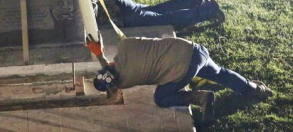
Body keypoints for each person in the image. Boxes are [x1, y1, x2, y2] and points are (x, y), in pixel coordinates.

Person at [86, 33, 273, 123]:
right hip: (194, 50)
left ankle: (201, 98)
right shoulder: (125, 44)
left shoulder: (126, 81)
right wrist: (99, 52)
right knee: (219, 73)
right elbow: (110, 69)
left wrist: (101, 59)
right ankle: (253, 89)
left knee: (161, 98)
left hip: (183, 71)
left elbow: (113, 80)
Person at [96, 0, 226, 30]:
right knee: (159, 10)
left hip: (120, 16)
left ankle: (208, 10)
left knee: (165, 21)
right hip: (118, 5)